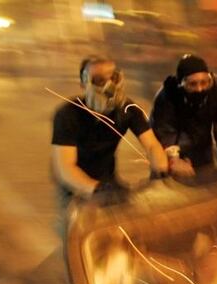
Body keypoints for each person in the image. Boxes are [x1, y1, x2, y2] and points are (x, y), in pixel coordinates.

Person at [51, 56, 169, 232]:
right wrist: (97, 189)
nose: (109, 86)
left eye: (113, 78)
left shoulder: (129, 111)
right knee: (77, 236)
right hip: (75, 186)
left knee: (127, 227)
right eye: (98, 80)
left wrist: (161, 173)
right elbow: (65, 167)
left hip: (108, 179)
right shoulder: (68, 114)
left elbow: (151, 145)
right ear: (84, 84)